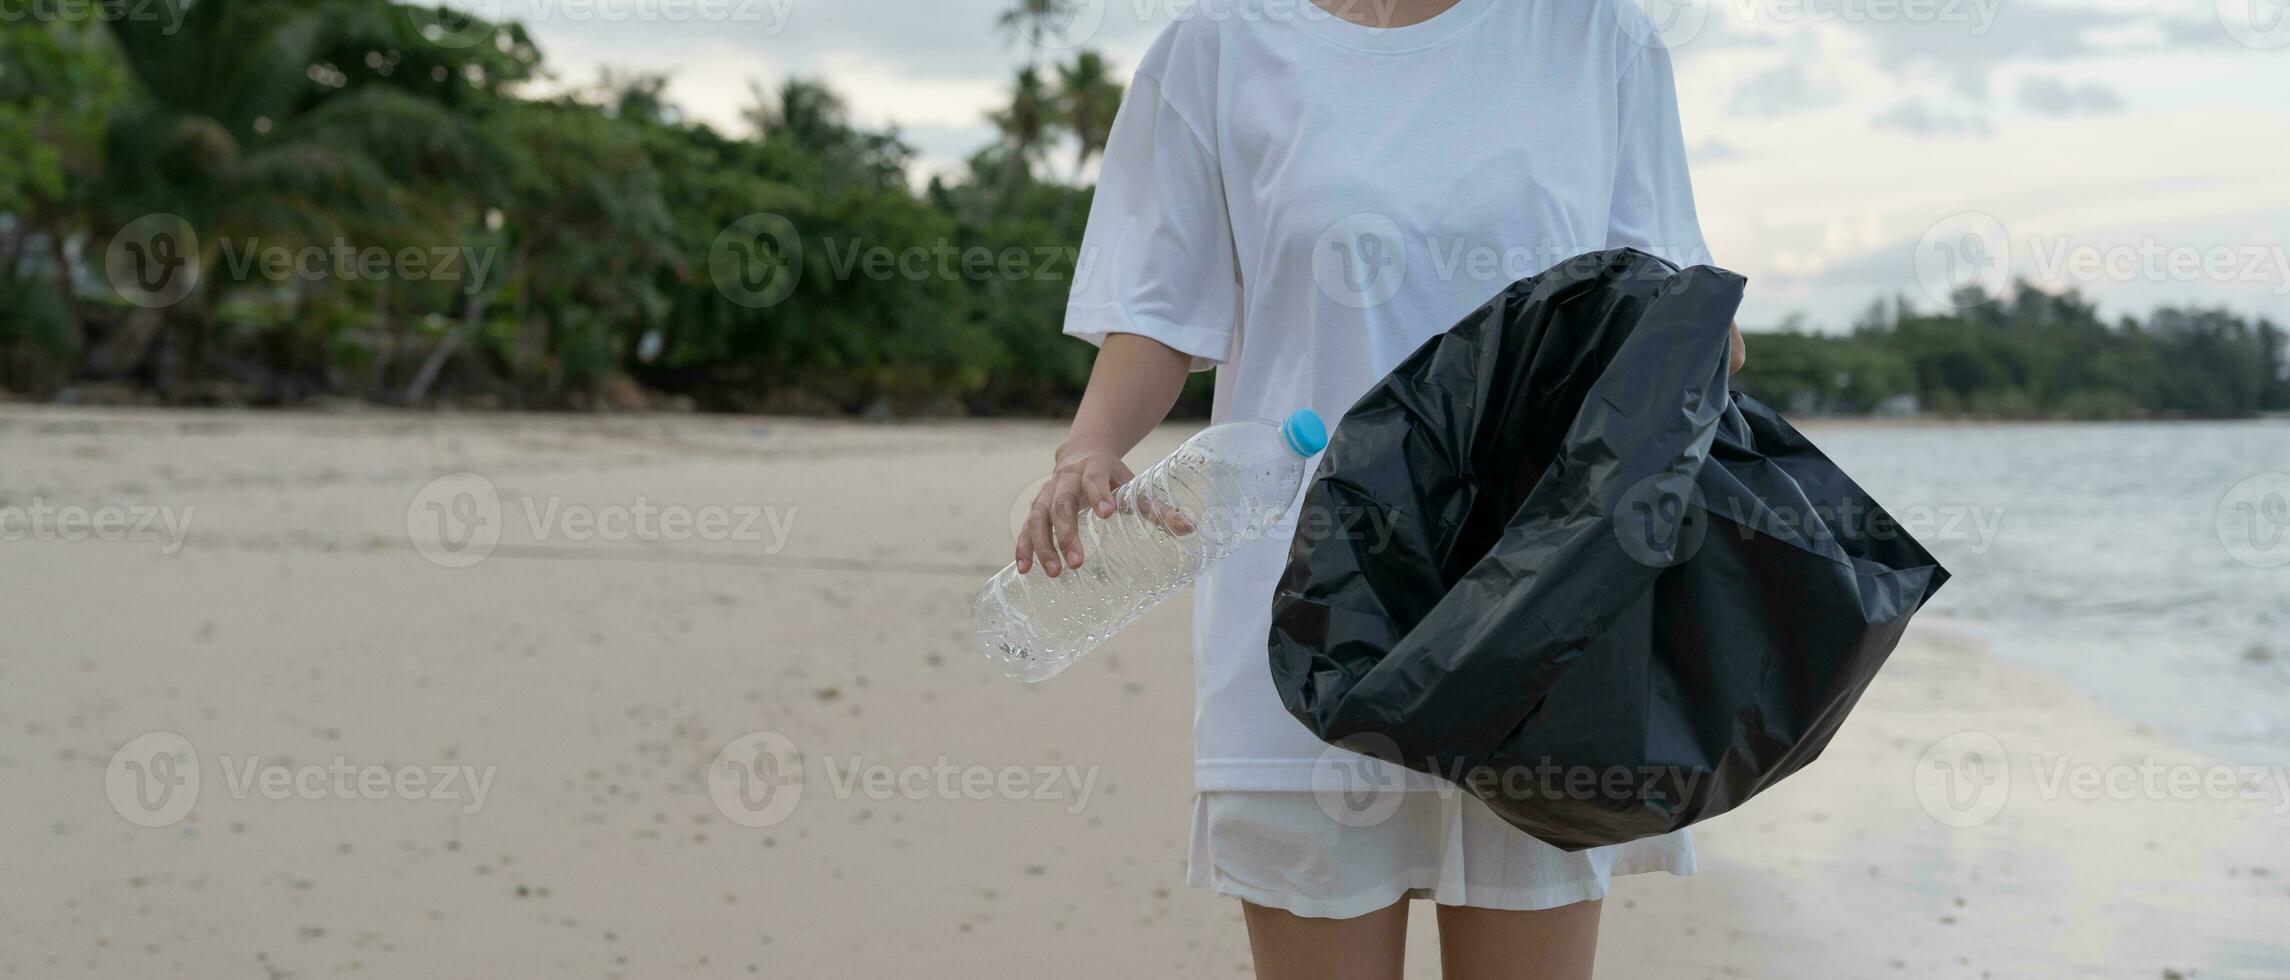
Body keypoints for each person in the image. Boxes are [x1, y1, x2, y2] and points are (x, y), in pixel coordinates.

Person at [1013, 1, 1744, 976]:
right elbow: (1156, 306)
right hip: (1304, 614)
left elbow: (1680, 308)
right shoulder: (1218, 46)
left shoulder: (1594, 36)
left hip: (1539, 608)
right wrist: (1089, 446)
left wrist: (1691, 337)